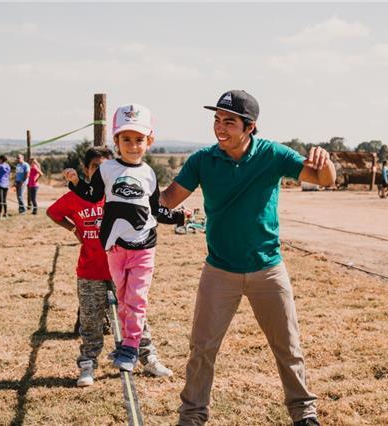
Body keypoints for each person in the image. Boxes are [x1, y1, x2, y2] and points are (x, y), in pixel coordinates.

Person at [157, 90, 336, 426]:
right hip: (219, 270)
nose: (219, 128)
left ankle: (304, 414)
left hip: (268, 269)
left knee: (288, 347)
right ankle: (192, 416)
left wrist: (326, 166)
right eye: (216, 120)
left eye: (229, 121)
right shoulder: (202, 160)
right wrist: (135, 185)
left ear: (250, 127)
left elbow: (324, 180)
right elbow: (168, 199)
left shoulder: (274, 155)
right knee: (202, 349)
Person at [64, 103, 186, 372]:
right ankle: (124, 347)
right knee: (122, 297)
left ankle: (131, 347)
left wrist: (178, 216)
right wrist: (75, 183)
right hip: (115, 248)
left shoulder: (149, 174)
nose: (133, 145)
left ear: (149, 141)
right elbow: (93, 196)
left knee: (137, 298)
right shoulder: (106, 170)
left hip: (144, 246)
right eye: (126, 139)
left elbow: (155, 210)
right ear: (116, 141)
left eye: (139, 139)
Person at [49, 147, 174, 386]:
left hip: (121, 270)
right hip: (91, 271)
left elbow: (150, 215)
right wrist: (74, 229)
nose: (102, 171)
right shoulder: (80, 196)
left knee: (136, 316)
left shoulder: (122, 195)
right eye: (95, 167)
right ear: (87, 170)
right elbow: (53, 212)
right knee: (90, 322)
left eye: (106, 166)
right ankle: (87, 365)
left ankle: (148, 358)